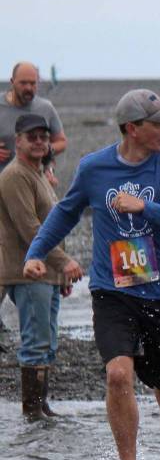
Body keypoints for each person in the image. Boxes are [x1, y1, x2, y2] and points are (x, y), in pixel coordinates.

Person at [24, 89, 160, 460]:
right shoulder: (94, 168)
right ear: (131, 128)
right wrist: (35, 253)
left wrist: (145, 208)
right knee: (118, 373)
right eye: (158, 123)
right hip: (114, 290)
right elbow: (66, 212)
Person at [0, 114, 84, 418]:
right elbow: (31, 229)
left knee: (47, 342)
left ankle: (42, 409)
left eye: (44, 137)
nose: (39, 142)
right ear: (18, 141)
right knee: (35, 343)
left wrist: (60, 275)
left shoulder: (38, 173)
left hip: (47, 273)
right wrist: (66, 262)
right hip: (27, 273)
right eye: (31, 137)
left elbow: (53, 226)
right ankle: (32, 412)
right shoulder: (14, 176)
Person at [0, 63, 68, 181]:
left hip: (35, 181)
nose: (28, 88)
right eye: (23, 83)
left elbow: (61, 142)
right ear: (12, 82)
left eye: (33, 83)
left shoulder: (46, 108)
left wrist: (44, 149)